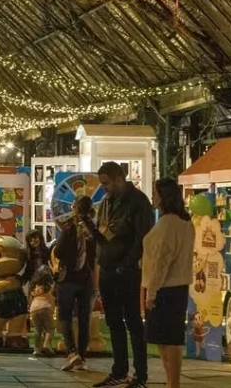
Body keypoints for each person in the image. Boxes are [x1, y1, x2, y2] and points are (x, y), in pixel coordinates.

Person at [82, 161, 154, 388]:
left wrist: (129, 263)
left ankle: (140, 374)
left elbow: (142, 237)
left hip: (127, 269)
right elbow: (105, 234)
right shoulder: (106, 202)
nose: (104, 188)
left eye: (107, 183)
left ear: (119, 179)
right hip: (109, 266)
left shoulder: (138, 202)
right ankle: (120, 369)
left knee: (132, 320)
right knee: (114, 321)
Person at [142, 178, 194, 388]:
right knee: (168, 339)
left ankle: (173, 383)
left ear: (163, 197)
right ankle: (172, 382)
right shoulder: (185, 223)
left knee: (168, 340)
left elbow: (162, 260)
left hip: (165, 287)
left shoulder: (167, 223)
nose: (153, 198)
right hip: (178, 286)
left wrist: (151, 292)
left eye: (155, 194)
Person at [52, 195, 98, 372]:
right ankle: (82, 357)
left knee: (65, 316)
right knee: (84, 318)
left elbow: (59, 251)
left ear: (75, 208)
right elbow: (95, 254)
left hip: (68, 277)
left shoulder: (69, 227)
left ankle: (72, 352)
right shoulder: (92, 229)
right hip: (86, 278)